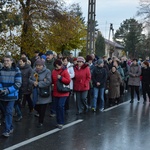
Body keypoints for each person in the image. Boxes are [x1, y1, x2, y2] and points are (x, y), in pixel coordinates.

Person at [0, 55, 22, 137]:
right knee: (6, 112)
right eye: (5, 60)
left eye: (8, 60)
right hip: (2, 95)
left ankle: (7, 130)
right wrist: (1, 89)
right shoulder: (1, 70)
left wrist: (8, 91)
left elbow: (18, 84)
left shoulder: (17, 71)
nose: (6, 62)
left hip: (12, 95)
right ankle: (10, 126)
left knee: (9, 111)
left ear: (11, 61)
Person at [29, 59, 52, 128]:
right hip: (35, 91)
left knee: (43, 107)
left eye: (39, 66)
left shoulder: (47, 71)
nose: (38, 67)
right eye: (37, 65)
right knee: (35, 105)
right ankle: (39, 114)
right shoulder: (33, 71)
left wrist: (39, 83)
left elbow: (48, 81)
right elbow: (30, 79)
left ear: (43, 65)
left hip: (43, 92)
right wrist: (33, 82)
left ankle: (40, 121)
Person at [52, 59, 70, 129]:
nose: (57, 68)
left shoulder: (65, 71)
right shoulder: (53, 72)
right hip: (56, 91)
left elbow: (68, 81)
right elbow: (52, 80)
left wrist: (61, 78)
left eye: (58, 66)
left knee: (60, 106)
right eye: (56, 67)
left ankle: (61, 122)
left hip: (63, 92)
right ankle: (58, 121)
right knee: (57, 107)